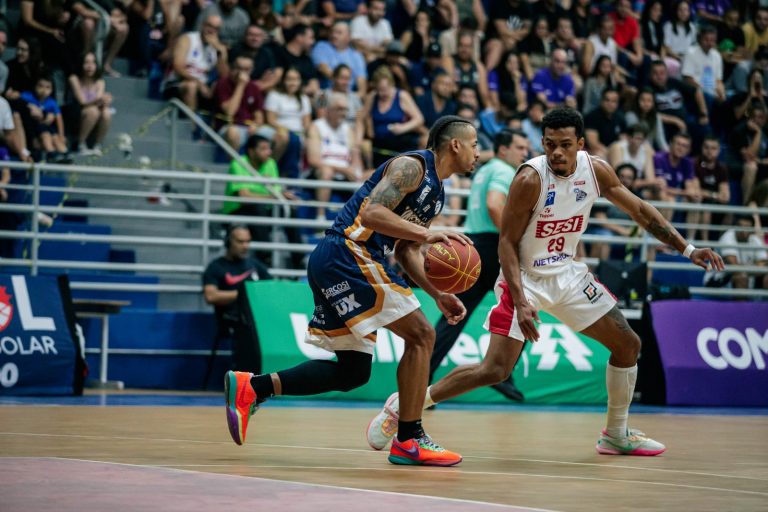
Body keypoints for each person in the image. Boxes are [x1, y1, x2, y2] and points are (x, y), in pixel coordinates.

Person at [366, 107, 724, 457]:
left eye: (565, 144)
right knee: (495, 370)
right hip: (524, 278)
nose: (557, 152)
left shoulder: (596, 171)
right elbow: (507, 243)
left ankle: (616, 435)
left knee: (628, 344)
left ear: (580, 144)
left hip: (566, 274)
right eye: (550, 144)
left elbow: (640, 210)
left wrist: (688, 248)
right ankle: (406, 404)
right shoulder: (529, 179)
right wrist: (521, 301)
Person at [224, 115, 480, 467]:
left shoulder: (435, 195)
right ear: (455, 144)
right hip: (349, 253)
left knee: (352, 372)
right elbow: (372, 213)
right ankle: (409, 438)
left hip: (340, 261)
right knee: (422, 335)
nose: (477, 153)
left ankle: (253, 388)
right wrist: (427, 235)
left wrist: (437, 293)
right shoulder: (412, 167)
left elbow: (406, 250)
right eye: (474, 145)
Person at [429, 129, 530, 402]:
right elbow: (494, 205)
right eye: (520, 147)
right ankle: (502, 372)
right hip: (494, 247)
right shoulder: (504, 171)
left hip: (474, 248)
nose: (525, 153)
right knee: (524, 306)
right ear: (503, 149)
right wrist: (512, 239)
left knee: (454, 317)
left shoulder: (484, 170)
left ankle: (422, 378)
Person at [202, 225, 272, 380]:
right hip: (231, 318)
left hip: (256, 317)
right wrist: (243, 294)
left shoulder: (255, 266)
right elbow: (210, 296)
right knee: (248, 328)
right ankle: (246, 380)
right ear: (228, 242)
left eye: (248, 241)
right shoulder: (216, 267)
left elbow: (271, 288)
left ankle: (273, 376)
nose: (245, 246)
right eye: (240, 241)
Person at [68, 51, 113, 156]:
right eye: (86, 63)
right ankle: (80, 144)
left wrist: (105, 101)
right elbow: (82, 102)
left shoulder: (100, 82)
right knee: (93, 111)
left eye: (93, 63)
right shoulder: (74, 78)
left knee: (106, 113)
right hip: (77, 111)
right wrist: (99, 100)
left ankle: (98, 145)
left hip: (94, 110)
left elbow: (99, 101)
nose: (90, 66)